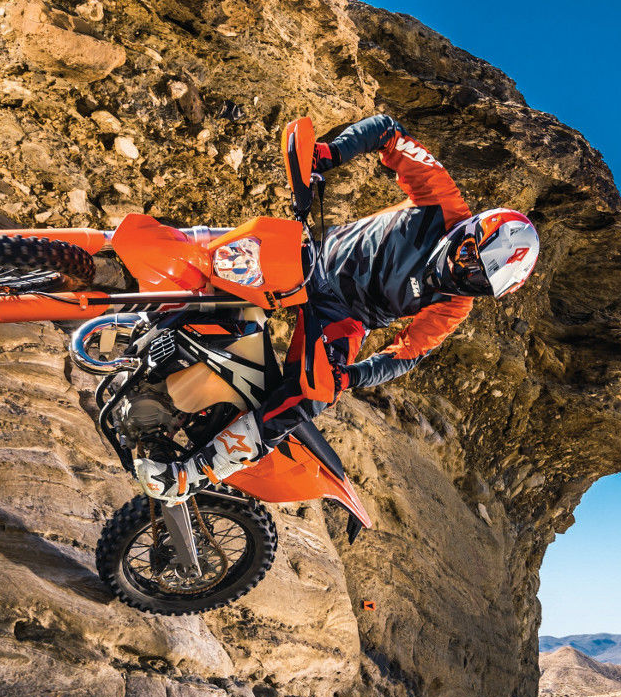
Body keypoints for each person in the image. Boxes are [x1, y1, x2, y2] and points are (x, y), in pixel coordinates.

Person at [135, 114, 540, 504]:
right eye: (469, 255)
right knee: (206, 257)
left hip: (343, 319)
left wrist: (353, 375)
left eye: (479, 281)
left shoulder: (454, 306)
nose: (462, 272)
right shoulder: (443, 200)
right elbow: (388, 131)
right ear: (471, 229)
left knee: (315, 392)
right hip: (310, 259)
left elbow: (405, 356)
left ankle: (195, 472)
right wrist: (329, 154)